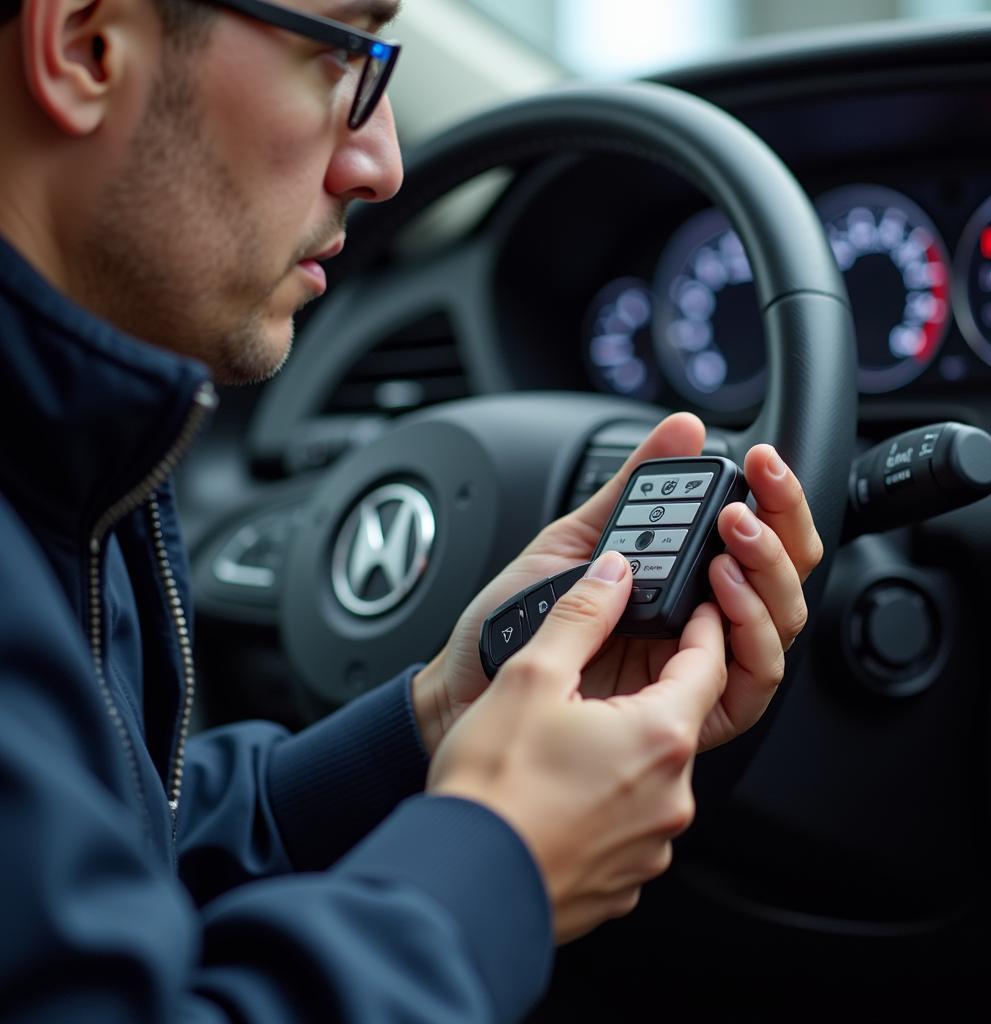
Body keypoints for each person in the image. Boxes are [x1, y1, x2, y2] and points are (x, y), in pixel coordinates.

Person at [0, 1, 824, 1021]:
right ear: (86, 44)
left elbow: (105, 864)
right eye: (345, 54)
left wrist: (439, 716)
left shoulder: (62, 448)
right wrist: (496, 863)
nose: (382, 162)